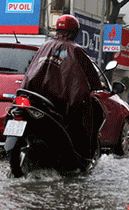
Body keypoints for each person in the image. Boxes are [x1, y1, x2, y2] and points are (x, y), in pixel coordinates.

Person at [21, 14, 104, 166]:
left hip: (37, 97)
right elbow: (90, 75)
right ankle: (84, 156)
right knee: (86, 116)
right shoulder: (76, 49)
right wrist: (97, 85)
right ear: (75, 32)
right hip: (61, 100)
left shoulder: (45, 46)